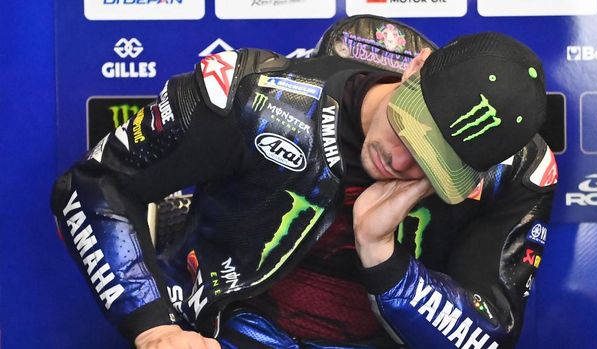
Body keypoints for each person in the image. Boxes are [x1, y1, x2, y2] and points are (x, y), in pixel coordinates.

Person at [51, 16, 557, 349]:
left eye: (435, 163)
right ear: (415, 70)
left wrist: (384, 257)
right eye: (409, 126)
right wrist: (154, 326)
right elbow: (94, 183)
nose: (400, 160)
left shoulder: (516, 174)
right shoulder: (254, 94)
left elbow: (488, 335)